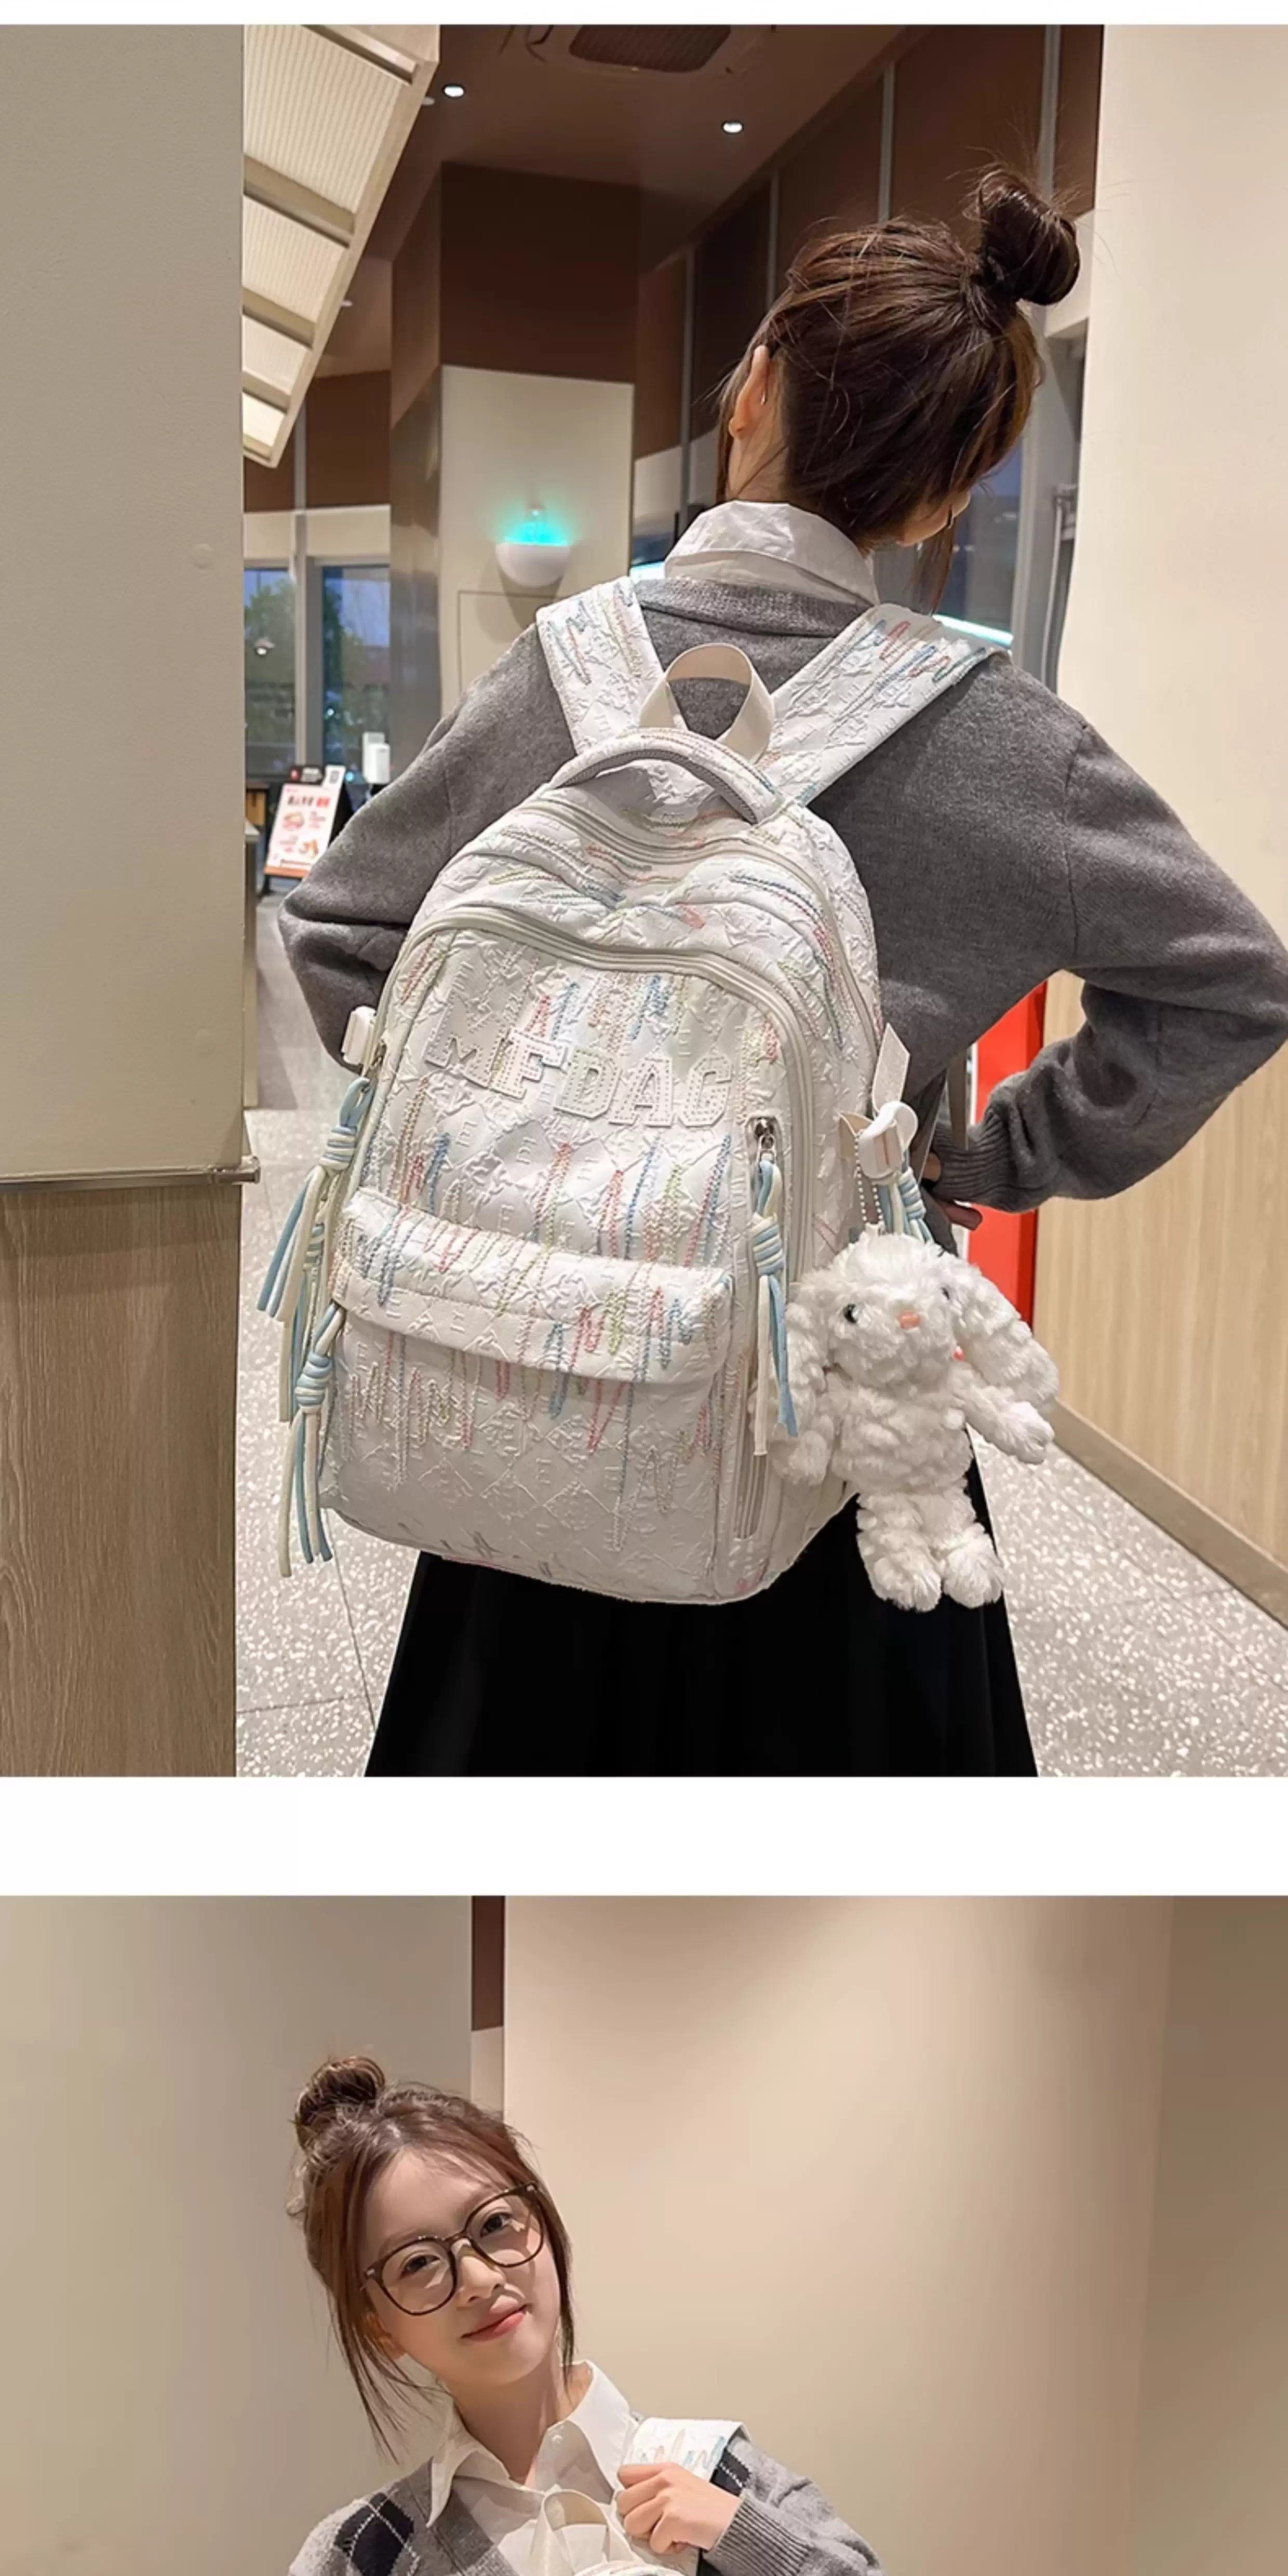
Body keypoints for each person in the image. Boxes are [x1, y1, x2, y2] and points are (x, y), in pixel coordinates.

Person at [279, 171, 1288, 1777]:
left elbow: (339, 929)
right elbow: (1233, 984)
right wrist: (979, 1159)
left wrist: (512, 1143)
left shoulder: (566, 674)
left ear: (750, 385)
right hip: (836, 1405)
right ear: (942, 501)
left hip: (551, 1374)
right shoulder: (1004, 744)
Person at [288, 2058, 885, 2576]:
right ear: (379, 2327)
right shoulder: (362, 2554)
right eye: (417, 2262)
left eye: (495, 2222)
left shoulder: (713, 2469)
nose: (479, 2279)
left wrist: (743, 2535)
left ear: (544, 2224)